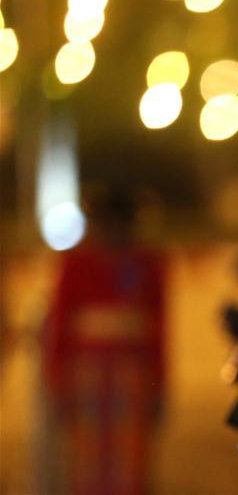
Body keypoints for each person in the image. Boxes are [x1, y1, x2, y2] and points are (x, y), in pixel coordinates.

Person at [43, 187, 166, 495]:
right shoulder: (75, 264)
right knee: (87, 462)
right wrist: (56, 380)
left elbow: (159, 330)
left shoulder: (147, 263)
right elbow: (59, 326)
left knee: (131, 460)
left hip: (131, 376)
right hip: (86, 376)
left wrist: (160, 383)